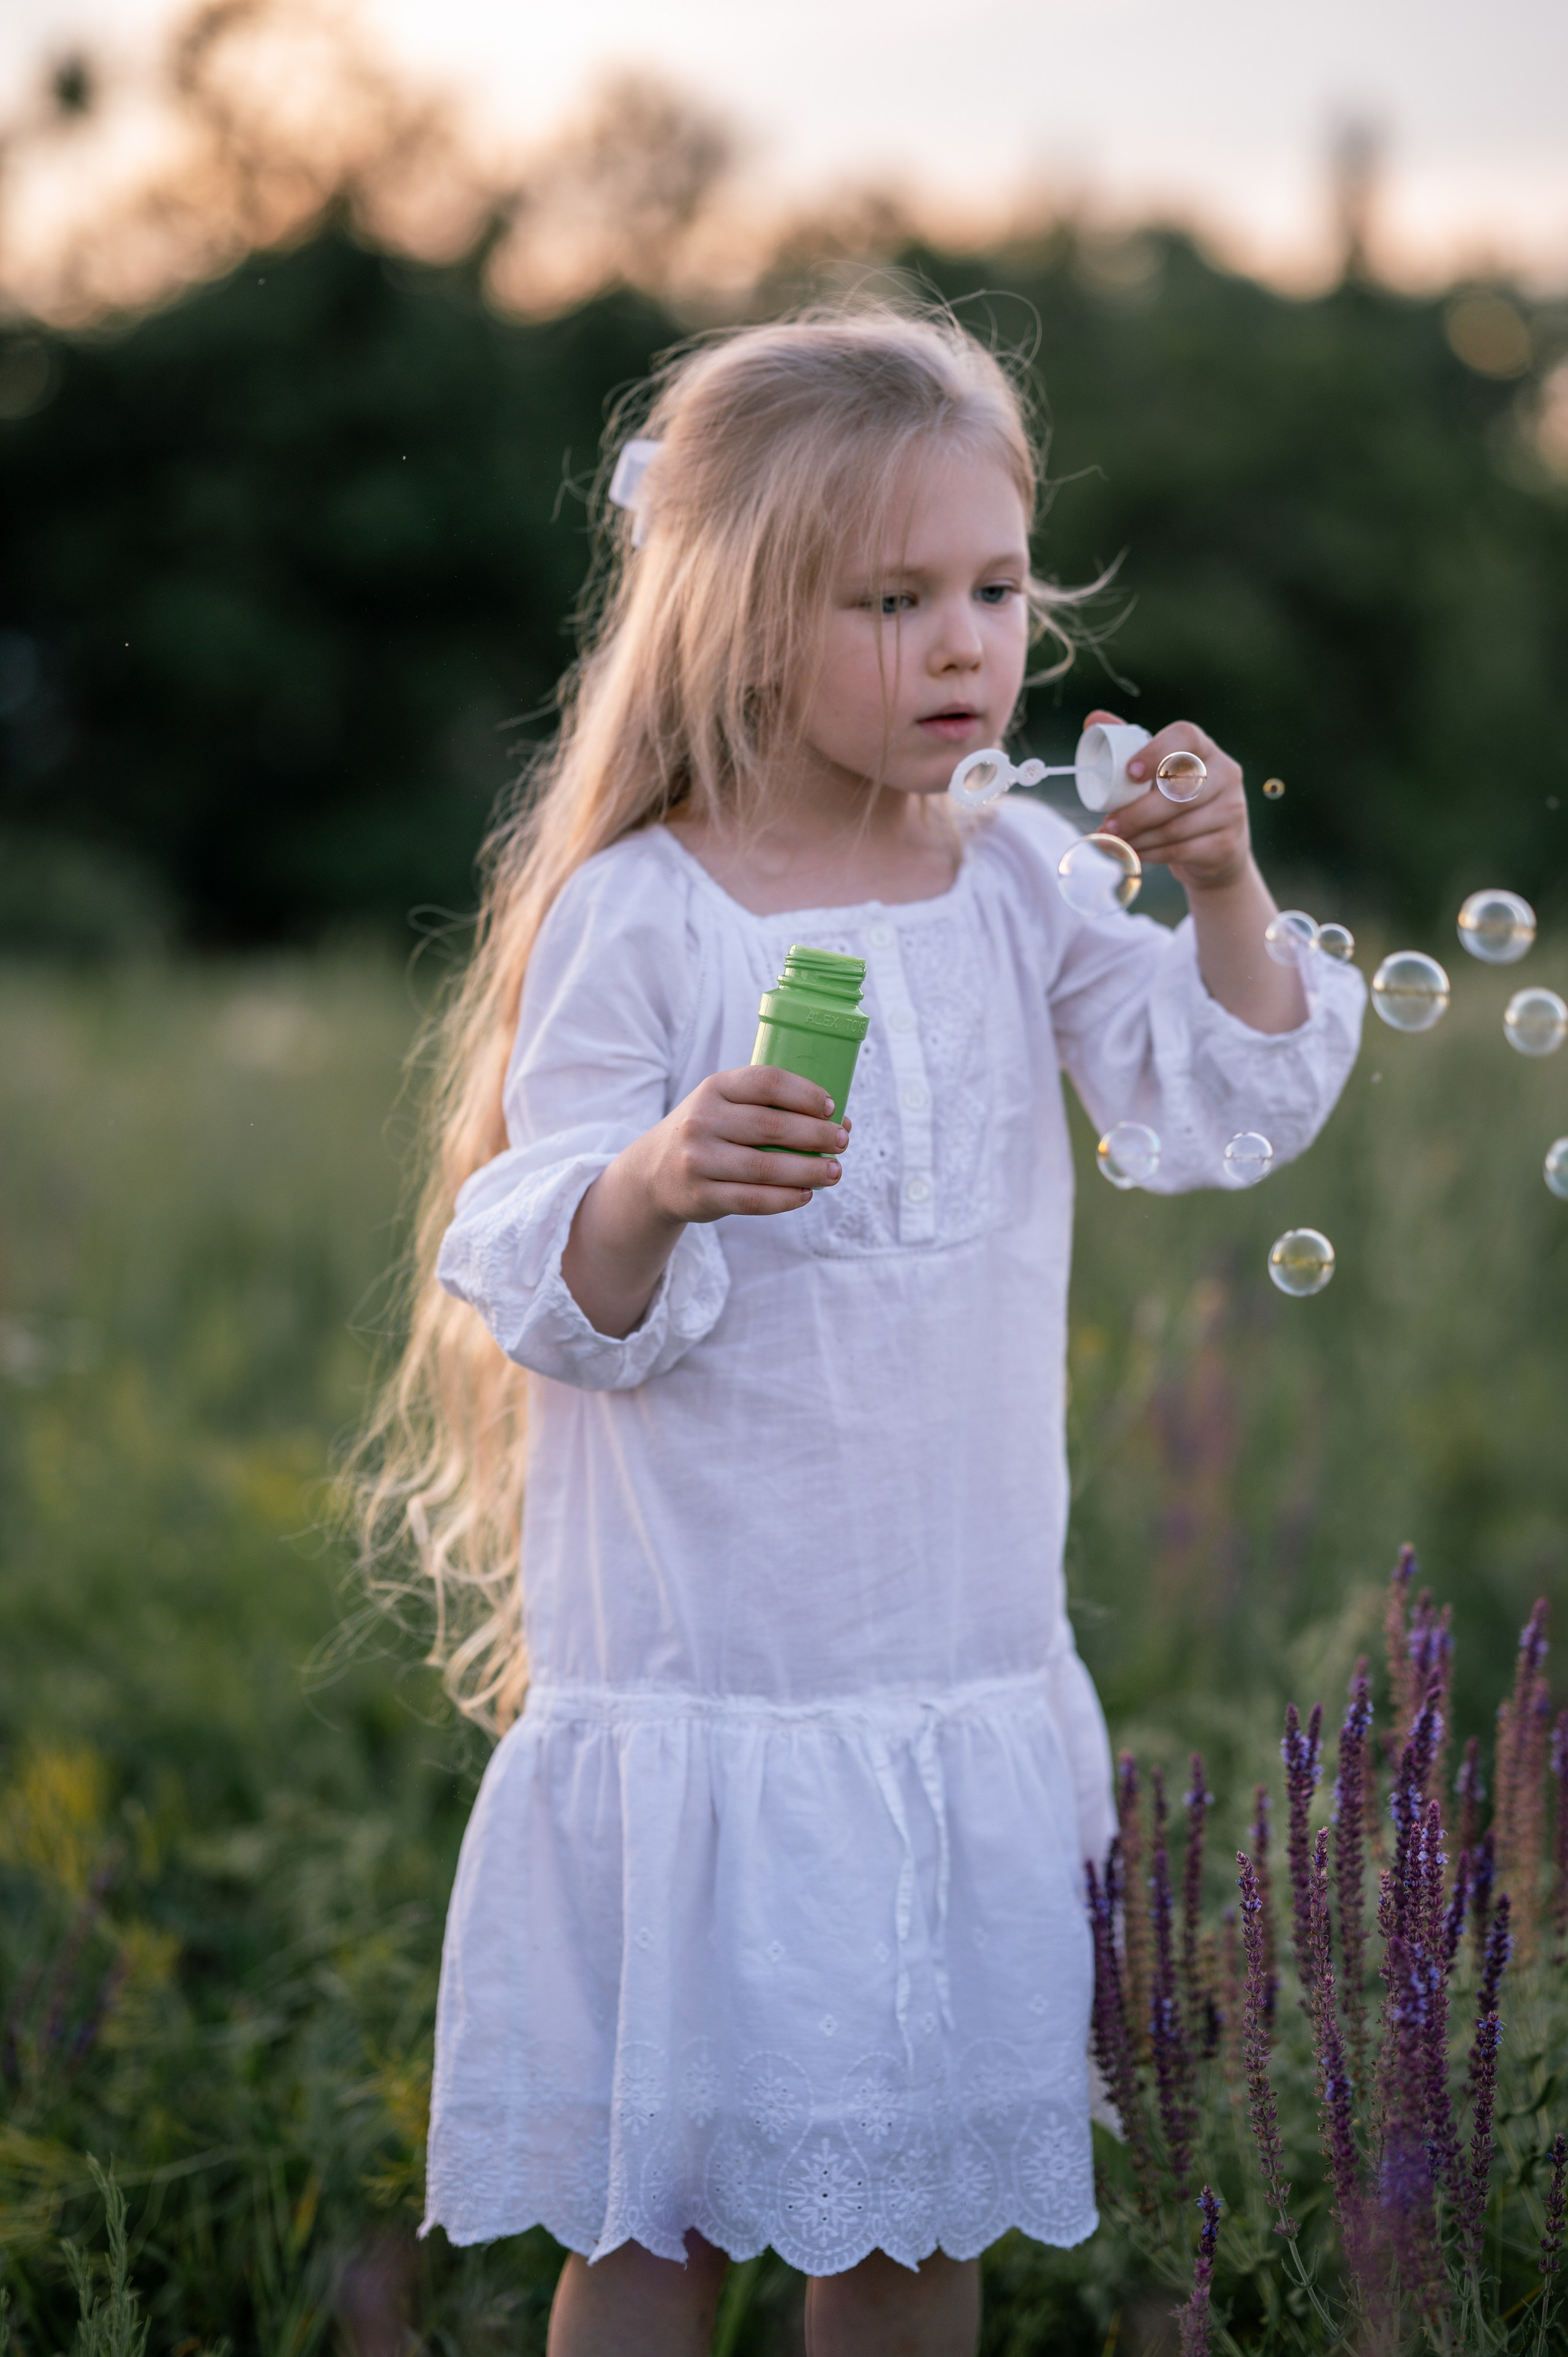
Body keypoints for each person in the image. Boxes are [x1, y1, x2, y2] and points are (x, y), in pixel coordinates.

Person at [361, 305, 1365, 2356]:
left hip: (951, 1664)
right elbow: (547, 1267)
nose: (966, 644)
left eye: (996, 588)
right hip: (719, 1669)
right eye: (892, 599)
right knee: (655, 2224)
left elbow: (1215, 1093)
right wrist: (652, 1179)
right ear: (737, 627)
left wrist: (1233, 894)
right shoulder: (649, 912)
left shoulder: (1020, 881)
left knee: (908, 2230)